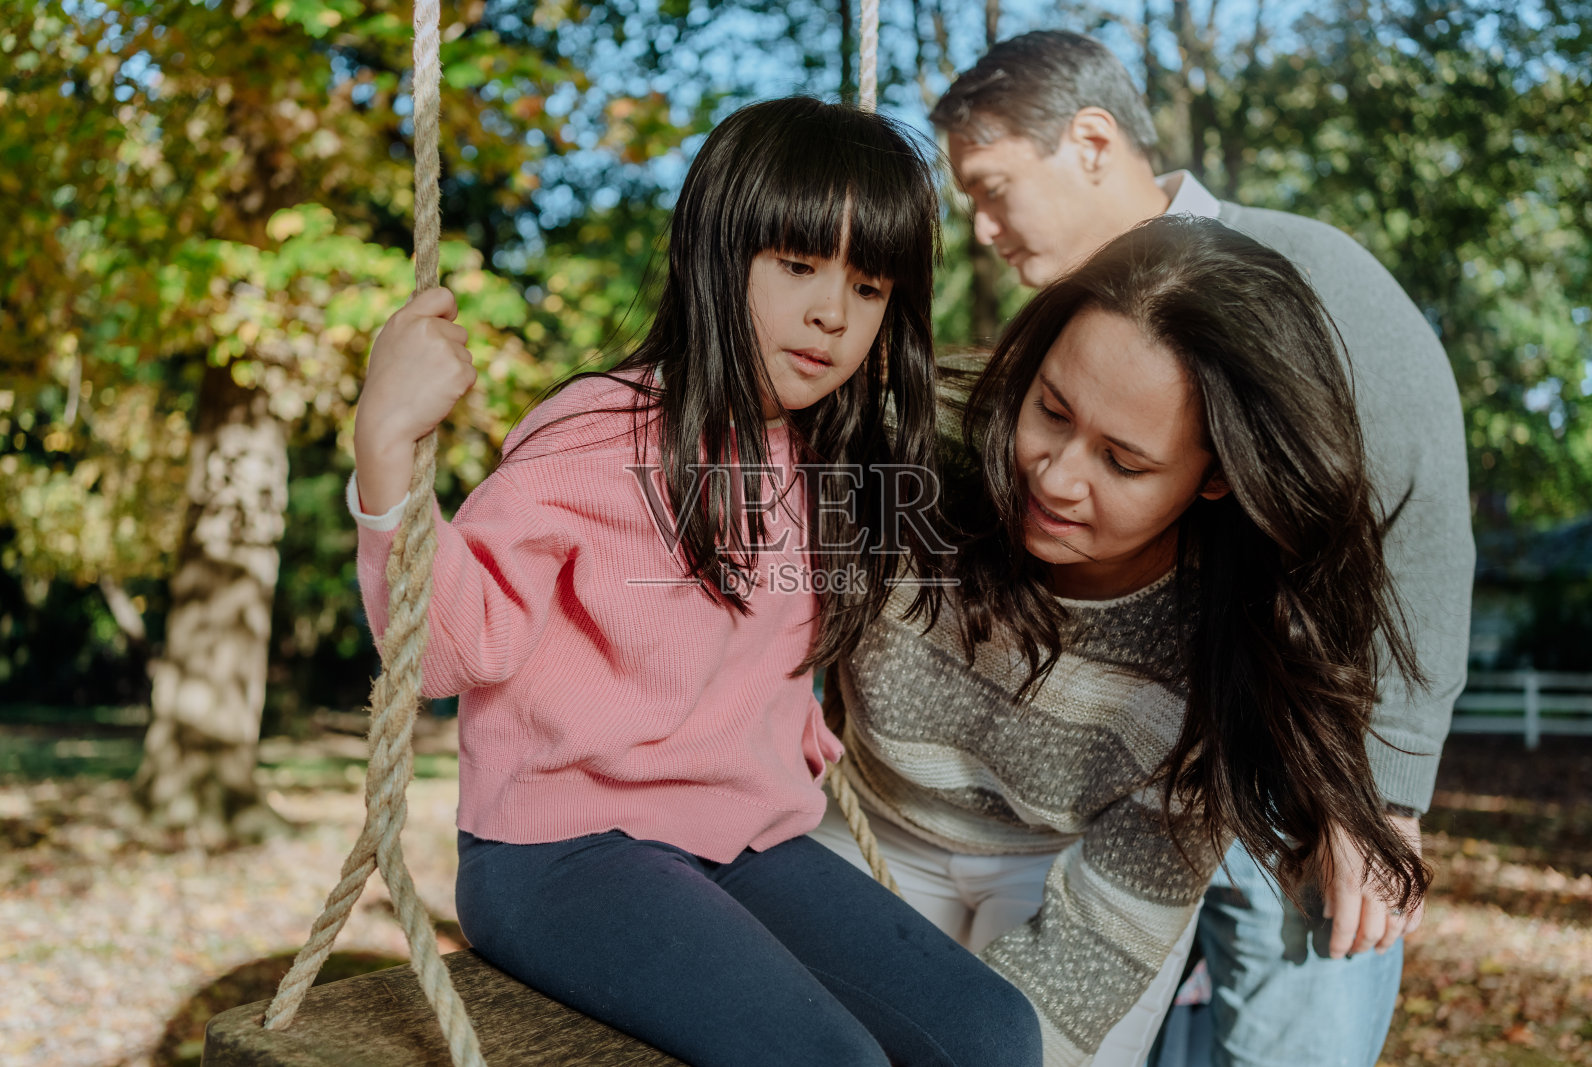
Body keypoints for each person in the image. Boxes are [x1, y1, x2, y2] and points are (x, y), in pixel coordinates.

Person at [345, 96, 1043, 1067]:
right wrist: (384, 450)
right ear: (717, 255)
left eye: (869, 285)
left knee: (990, 1031)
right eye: (796, 265)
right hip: (563, 850)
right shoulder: (600, 430)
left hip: (742, 839)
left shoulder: (824, 459)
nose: (831, 312)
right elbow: (448, 648)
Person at [918, 30, 1471, 1067]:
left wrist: (1381, 797)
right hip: (1110, 780)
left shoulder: (1308, 276)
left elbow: (1421, 520)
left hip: (1283, 785)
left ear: (1089, 141)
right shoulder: (1072, 321)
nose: (982, 227)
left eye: (993, 189)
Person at [814, 213, 1434, 1067]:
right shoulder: (907, 450)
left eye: (1124, 462)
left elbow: (1087, 958)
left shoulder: (1225, 645)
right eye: (1051, 410)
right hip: (861, 820)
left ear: (1218, 473)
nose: (1058, 476)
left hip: (1059, 872)